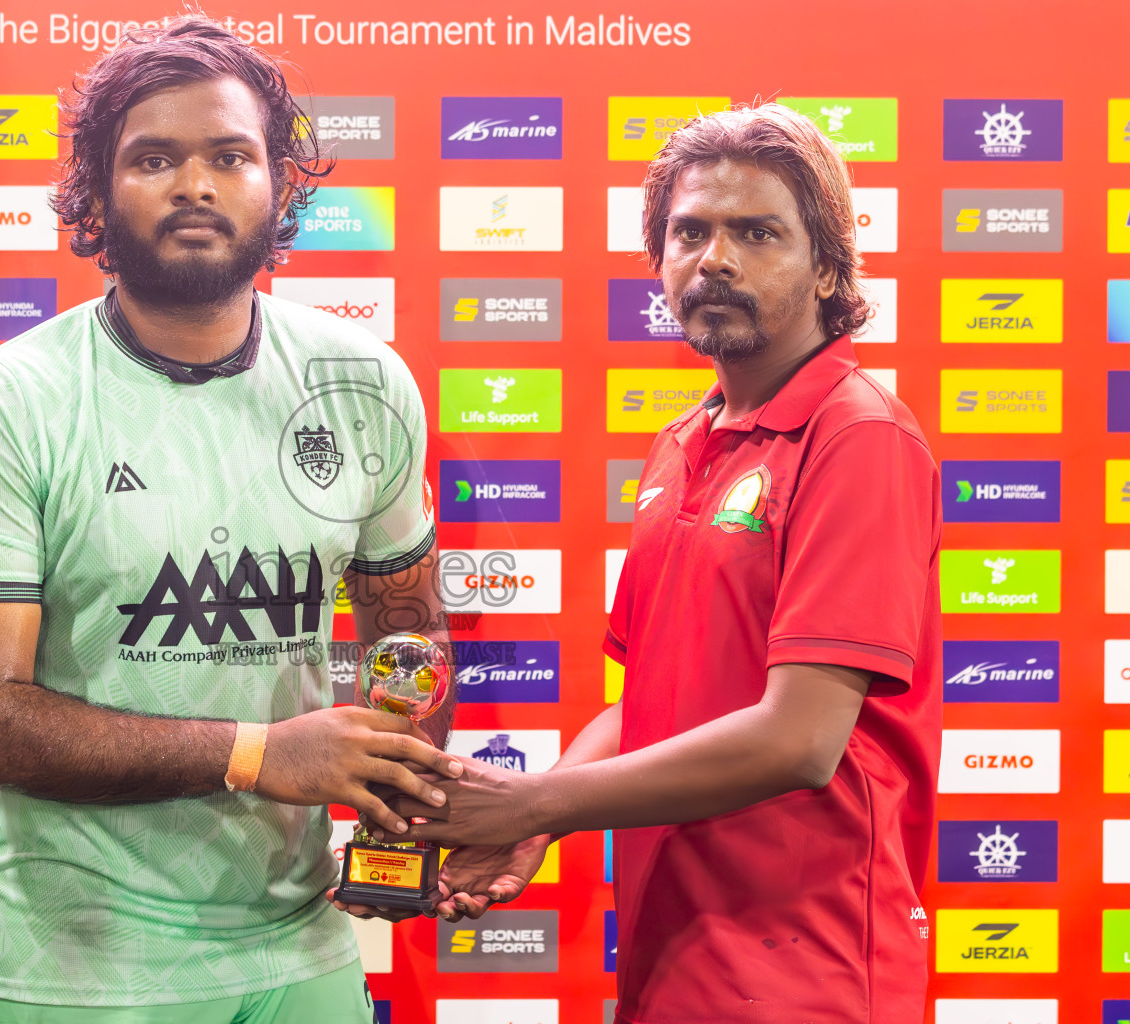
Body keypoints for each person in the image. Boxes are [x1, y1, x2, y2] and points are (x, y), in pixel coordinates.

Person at [0, 15, 459, 1023]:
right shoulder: (7, 401)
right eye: (154, 157)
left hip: (303, 943)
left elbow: (407, 628)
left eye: (230, 156)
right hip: (81, 968)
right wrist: (259, 751)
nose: (195, 185)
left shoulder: (362, 382)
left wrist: (403, 797)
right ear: (96, 192)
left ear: (280, 184)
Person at [380, 104, 942, 1024]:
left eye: (757, 232)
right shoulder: (682, 442)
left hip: (814, 968)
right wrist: (542, 819)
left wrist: (531, 803)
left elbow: (799, 739)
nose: (714, 258)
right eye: (691, 232)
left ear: (829, 266)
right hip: (671, 950)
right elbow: (642, 698)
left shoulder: (859, 436)